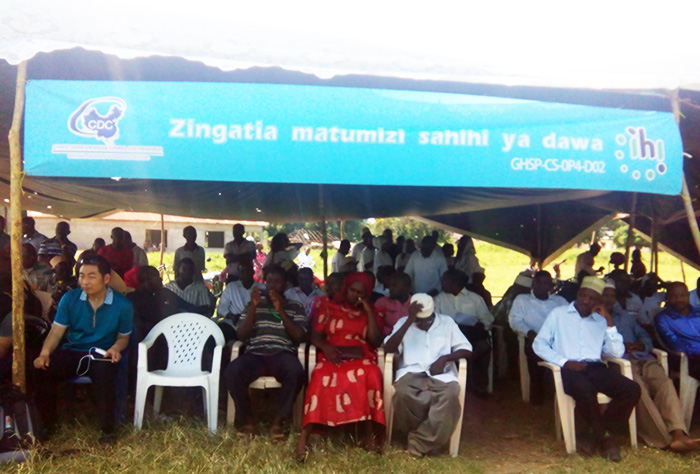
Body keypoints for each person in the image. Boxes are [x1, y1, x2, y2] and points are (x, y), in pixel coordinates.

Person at [533, 276, 641, 461]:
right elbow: (539, 344)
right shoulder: (558, 314)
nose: (586, 301)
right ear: (578, 294)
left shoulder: (600, 320)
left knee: (632, 389)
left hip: (595, 367)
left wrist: (609, 321)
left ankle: (595, 435)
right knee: (585, 390)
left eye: (592, 299)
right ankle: (606, 440)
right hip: (567, 368)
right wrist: (564, 361)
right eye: (583, 296)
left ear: (598, 302)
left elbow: (615, 352)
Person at [32, 254, 133, 444]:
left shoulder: (123, 304)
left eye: (91, 276)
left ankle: (107, 429)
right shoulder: (70, 299)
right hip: (74, 351)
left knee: (104, 371)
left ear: (106, 279)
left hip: (101, 354)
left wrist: (115, 348)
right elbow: (55, 332)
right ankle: (48, 424)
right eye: (81, 276)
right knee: (43, 370)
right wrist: (44, 354)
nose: (84, 282)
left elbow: (123, 337)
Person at [296, 272, 385, 461]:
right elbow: (315, 335)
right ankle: (304, 439)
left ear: (366, 293)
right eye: (352, 290)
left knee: (371, 374)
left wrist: (368, 311)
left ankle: (369, 435)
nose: (355, 295)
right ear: (346, 288)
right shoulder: (327, 307)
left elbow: (375, 341)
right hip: (332, 354)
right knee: (320, 376)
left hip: (359, 356)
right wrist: (326, 348)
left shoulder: (371, 311)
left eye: (360, 292)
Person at [602, 280, 700, 452]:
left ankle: (678, 433)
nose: (609, 299)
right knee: (639, 389)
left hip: (643, 357)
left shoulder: (625, 317)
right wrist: (621, 346)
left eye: (612, 295)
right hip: (620, 362)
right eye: (605, 295)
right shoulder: (592, 320)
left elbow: (644, 335)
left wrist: (642, 345)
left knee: (666, 384)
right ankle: (665, 440)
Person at [384, 293, 472, 458]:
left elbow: (466, 349)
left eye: (427, 320)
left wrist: (446, 358)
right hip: (411, 372)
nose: (423, 324)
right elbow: (388, 349)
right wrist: (409, 321)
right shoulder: (404, 323)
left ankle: (418, 442)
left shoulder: (447, 322)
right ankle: (425, 438)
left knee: (450, 395)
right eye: (419, 320)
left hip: (442, 375)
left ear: (434, 313)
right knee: (403, 394)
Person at [224, 265, 306, 441]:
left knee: (296, 372)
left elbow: (299, 336)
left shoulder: (295, 306)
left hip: (282, 353)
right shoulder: (253, 305)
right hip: (256, 354)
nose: (272, 286)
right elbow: (241, 335)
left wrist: (280, 310)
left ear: (285, 285)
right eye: (269, 281)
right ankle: (248, 421)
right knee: (232, 371)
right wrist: (253, 307)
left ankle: (278, 422)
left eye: (277, 282)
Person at [508, 270, 567, 404]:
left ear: (550, 286)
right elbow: (515, 321)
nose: (542, 286)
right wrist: (529, 332)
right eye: (538, 282)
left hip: (558, 341)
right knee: (535, 355)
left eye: (546, 283)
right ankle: (538, 395)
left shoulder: (560, 301)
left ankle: (562, 392)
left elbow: (570, 320)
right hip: (535, 340)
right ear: (533, 283)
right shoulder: (522, 300)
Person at [433, 269, 492, 396]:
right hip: (447, 339)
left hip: (471, 336)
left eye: (445, 281)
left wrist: (480, 325)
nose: (442, 284)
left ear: (456, 283)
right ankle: (455, 385)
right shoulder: (438, 299)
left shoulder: (475, 299)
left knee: (483, 348)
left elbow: (487, 319)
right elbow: (435, 321)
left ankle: (479, 387)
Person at [655, 282, 700, 378]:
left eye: (682, 295)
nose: (679, 299)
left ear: (689, 295)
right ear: (667, 297)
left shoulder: (698, 312)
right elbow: (675, 344)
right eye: (674, 296)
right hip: (687, 359)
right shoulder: (663, 318)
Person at [217, 261, 265, 341]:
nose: (245, 274)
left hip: (254, 322)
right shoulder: (231, 287)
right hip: (233, 323)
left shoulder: (262, 288)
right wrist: (231, 316)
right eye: (242, 271)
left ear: (253, 271)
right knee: (220, 330)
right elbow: (221, 308)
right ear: (238, 274)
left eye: (247, 271)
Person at [375, 271, 412, 336]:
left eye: (395, 286)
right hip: (387, 340)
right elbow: (376, 327)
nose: (390, 289)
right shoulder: (382, 302)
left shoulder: (415, 303)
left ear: (406, 288)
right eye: (390, 285)